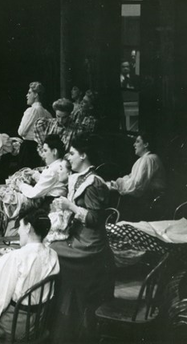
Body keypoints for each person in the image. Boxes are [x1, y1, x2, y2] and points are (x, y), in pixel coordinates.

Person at [50, 136, 115, 343]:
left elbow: (95, 219)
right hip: (79, 237)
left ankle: (70, 325)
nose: (68, 157)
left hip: (90, 244)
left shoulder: (94, 182)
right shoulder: (79, 177)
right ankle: (64, 320)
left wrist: (70, 207)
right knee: (49, 246)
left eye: (72, 153)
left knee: (52, 251)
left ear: (84, 155)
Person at [0, 208, 60, 341]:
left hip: (14, 327)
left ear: (28, 227)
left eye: (20, 226)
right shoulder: (53, 255)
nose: (18, 231)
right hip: (38, 324)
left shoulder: (16, 257)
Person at [109, 132, 166, 199]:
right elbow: (132, 178)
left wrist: (119, 183)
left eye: (137, 142)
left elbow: (137, 185)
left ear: (146, 144)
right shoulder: (145, 159)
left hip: (150, 198)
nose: (134, 145)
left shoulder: (148, 159)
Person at [18, 134, 67, 199]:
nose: (43, 154)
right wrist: (34, 174)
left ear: (54, 151)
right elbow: (46, 181)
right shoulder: (59, 164)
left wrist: (20, 185)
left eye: (45, 151)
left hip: (50, 203)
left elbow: (33, 193)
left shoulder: (53, 170)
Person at [17, 81, 52, 168]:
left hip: (28, 149)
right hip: (41, 149)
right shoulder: (47, 113)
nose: (27, 95)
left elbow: (21, 132)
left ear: (36, 95)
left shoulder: (31, 110)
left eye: (29, 93)